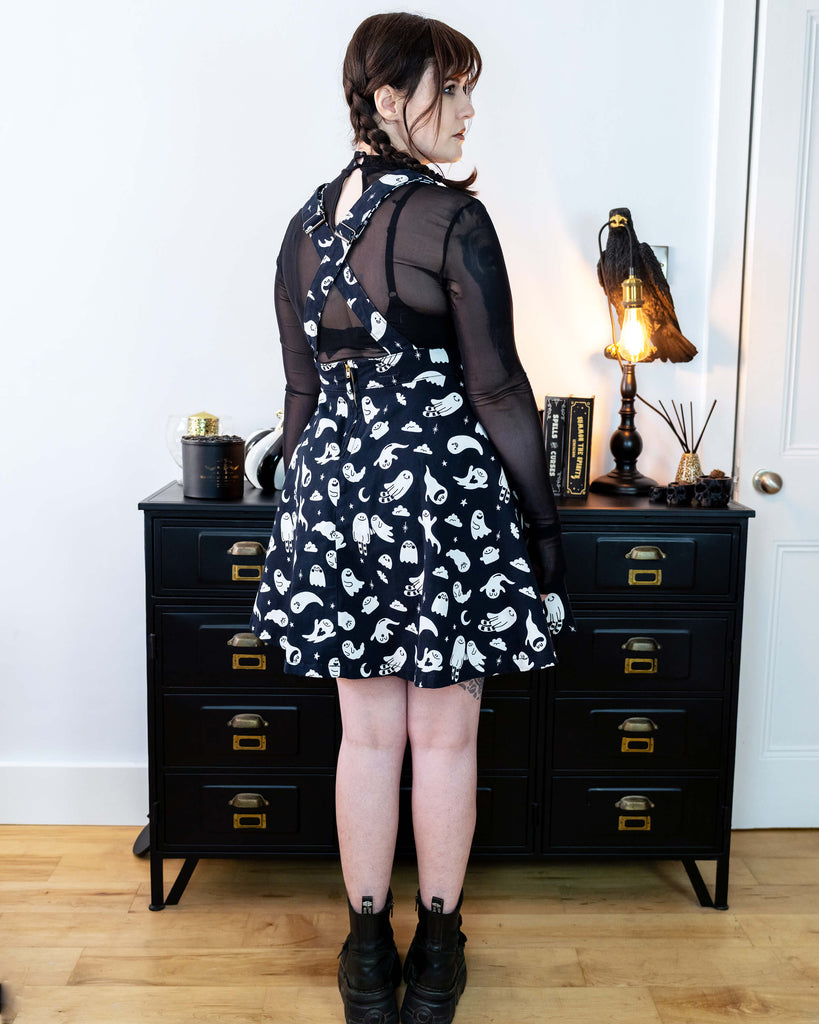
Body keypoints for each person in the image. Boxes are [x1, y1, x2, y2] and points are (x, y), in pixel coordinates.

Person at [250, 13, 572, 1024]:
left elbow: (298, 399)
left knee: (365, 737)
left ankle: (362, 952)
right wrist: (545, 527)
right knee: (443, 738)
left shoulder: (302, 226)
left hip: (334, 503)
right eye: (456, 87)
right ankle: (436, 950)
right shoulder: (444, 219)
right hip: (438, 503)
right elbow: (501, 390)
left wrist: (301, 514)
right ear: (392, 99)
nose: (471, 109)